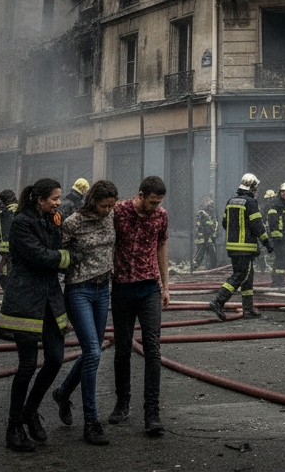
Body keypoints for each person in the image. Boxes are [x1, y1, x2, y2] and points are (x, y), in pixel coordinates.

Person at [0, 178, 71, 451]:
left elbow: (60, 245)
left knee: (55, 358)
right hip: (25, 301)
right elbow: (41, 256)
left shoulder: (51, 219)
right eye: (54, 198)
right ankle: (14, 426)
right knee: (27, 366)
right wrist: (66, 258)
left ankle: (30, 411)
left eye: (59, 198)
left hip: (50, 300)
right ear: (40, 200)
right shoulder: (21, 223)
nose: (58, 203)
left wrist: (60, 250)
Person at [51, 180, 118, 445]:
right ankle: (91, 421)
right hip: (78, 290)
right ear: (92, 202)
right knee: (92, 351)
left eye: (111, 206)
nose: (108, 210)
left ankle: (63, 392)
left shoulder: (112, 216)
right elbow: (57, 255)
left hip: (103, 289)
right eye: (104, 205)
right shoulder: (72, 223)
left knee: (94, 350)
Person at [108, 175, 170, 437]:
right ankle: (122, 403)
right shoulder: (118, 211)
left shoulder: (161, 216)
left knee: (152, 348)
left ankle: (152, 412)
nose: (155, 207)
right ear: (141, 195)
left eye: (159, 203)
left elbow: (162, 245)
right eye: (152, 202)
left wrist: (166, 286)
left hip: (149, 288)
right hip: (122, 287)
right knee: (122, 349)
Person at [209, 173, 274, 322]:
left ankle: (248, 310)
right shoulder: (251, 202)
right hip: (245, 247)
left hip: (232, 247)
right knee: (240, 275)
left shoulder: (231, 201)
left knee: (247, 277)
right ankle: (218, 301)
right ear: (252, 187)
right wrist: (267, 244)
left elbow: (225, 223)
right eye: (256, 187)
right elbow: (258, 226)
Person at [0, 189, 19, 289]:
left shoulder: (8, 212)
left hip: (10, 251)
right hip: (17, 250)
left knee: (4, 276)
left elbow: (7, 233)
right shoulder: (18, 210)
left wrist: (5, 251)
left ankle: (11, 297)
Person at [192, 195, 219, 270]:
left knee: (210, 253)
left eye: (209, 200)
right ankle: (196, 266)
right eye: (206, 200)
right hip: (204, 237)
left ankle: (211, 267)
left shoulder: (211, 211)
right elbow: (199, 224)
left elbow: (214, 223)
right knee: (202, 252)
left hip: (208, 236)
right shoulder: (202, 212)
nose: (209, 202)